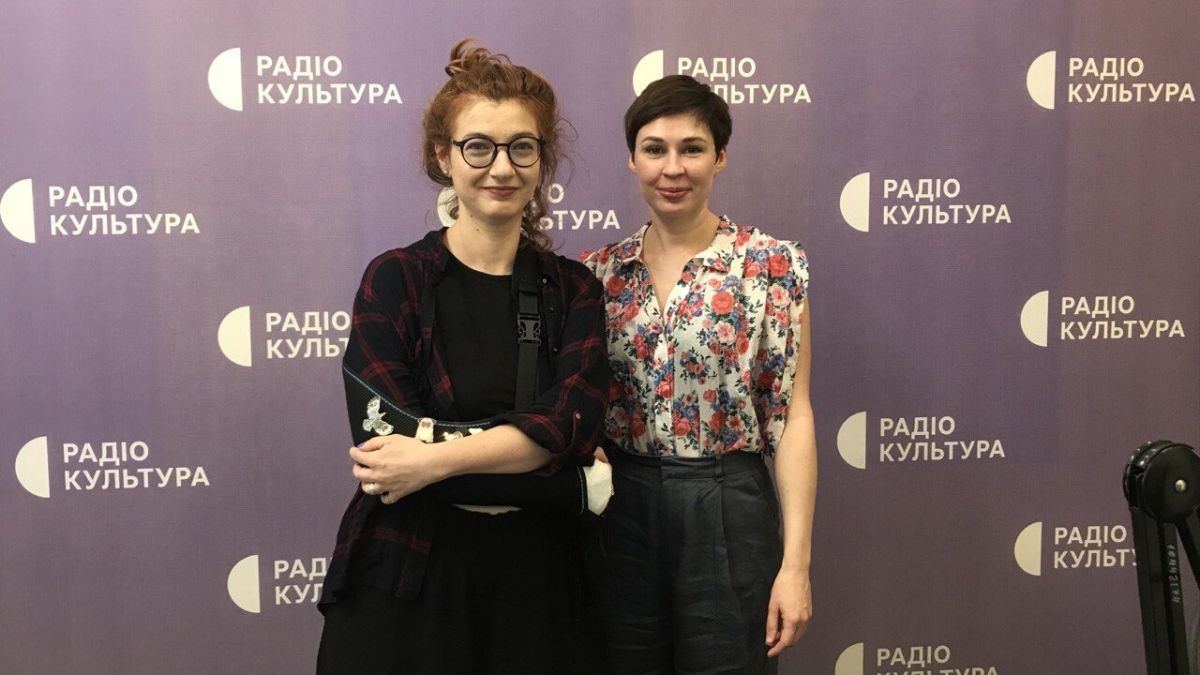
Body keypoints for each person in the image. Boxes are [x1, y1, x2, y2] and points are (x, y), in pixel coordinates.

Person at [317, 39, 610, 675]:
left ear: (541, 160)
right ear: (443, 156)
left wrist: (432, 460)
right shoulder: (395, 279)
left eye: (521, 147)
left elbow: (567, 426)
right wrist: (565, 483)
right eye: (478, 146)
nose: (501, 167)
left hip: (539, 587)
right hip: (408, 575)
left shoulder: (575, 290)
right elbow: (386, 451)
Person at [582, 74, 816, 674]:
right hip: (621, 507)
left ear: (720, 157)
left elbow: (791, 417)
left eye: (692, 148)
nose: (673, 168)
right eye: (654, 149)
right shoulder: (597, 274)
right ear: (632, 159)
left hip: (728, 503)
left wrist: (795, 566)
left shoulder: (770, 266)